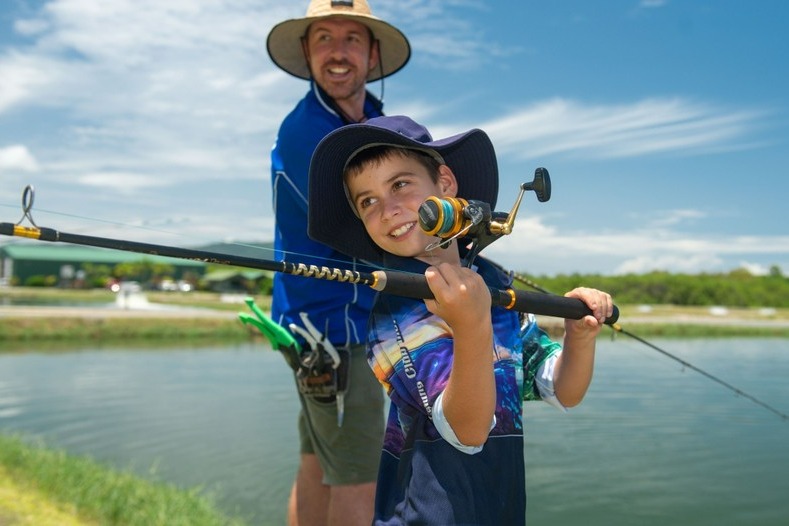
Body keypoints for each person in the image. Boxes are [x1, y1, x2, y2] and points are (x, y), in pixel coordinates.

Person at [306, 115, 614, 525]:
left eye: (400, 184)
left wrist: (580, 336)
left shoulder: (491, 282)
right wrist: (472, 326)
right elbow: (466, 431)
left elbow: (561, 389)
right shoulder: (395, 310)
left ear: (446, 184)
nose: (389, 210)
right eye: (367, 201)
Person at [265, 1, 411, 525]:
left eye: (352, 38)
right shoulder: (306, 132)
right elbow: (372, 231)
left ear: (372, 54)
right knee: (361, 480)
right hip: (333, 333)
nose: (338, 51)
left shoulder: (378, 121)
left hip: (323, 329)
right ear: (307, 53)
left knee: (316, 462)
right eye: (324, 37)